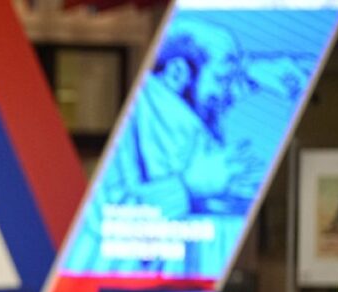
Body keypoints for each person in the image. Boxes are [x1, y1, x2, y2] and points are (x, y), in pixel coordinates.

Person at [64, 18, 310, 277]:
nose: (229, 93)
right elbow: (107, 218)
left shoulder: (187, 114)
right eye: (223, 79)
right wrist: (190, 186)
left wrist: (252, 70)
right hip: (112, 284)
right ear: (177, 73)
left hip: (174, 283)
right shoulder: (143, 114)